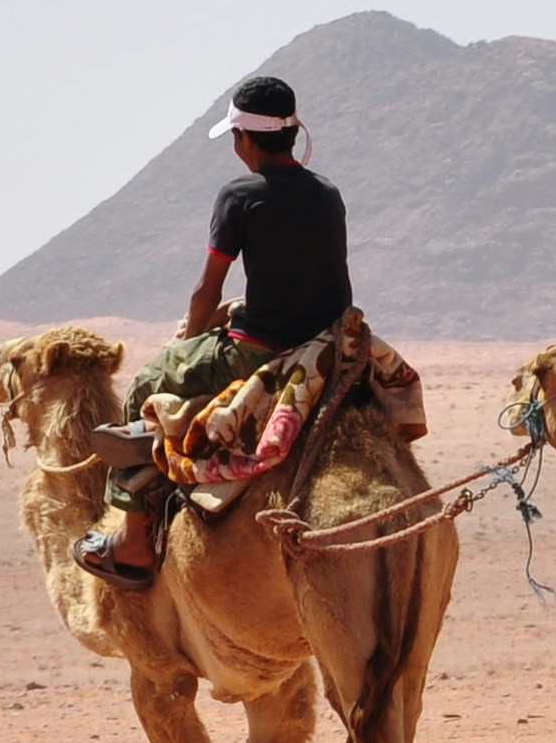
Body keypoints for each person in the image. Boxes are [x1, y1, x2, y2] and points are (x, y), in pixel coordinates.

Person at [73, 71, 355, 587]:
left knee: (146, 385)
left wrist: (189, 340)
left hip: (259, 351)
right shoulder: (328, 193)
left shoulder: (240, 194)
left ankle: (133, 540)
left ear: (244, 138)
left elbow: (206, 290)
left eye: (234, 137)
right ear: (292, 134)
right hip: (326, 345)